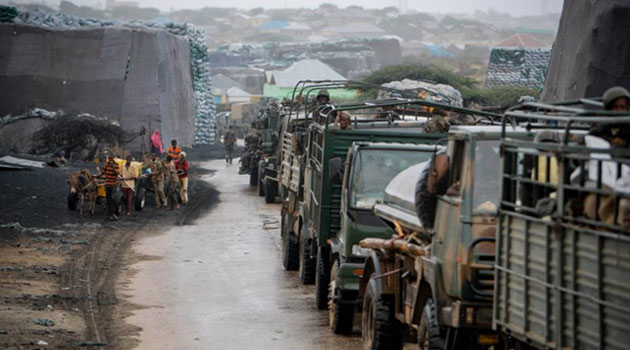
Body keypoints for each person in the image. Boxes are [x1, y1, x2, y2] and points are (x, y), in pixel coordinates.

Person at [100, 155, 120, 220]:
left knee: (113, 198)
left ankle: (113, 213)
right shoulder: (106, 165)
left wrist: (113, 167)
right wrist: (98, 175)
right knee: (108, 199)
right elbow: (103, 172)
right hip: (108, 184)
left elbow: (117, 173)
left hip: (114, 184)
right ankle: (109, 214)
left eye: (111, 158)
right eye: (109, 158)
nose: (110, 160)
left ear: (113, 159)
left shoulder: (116, 165)